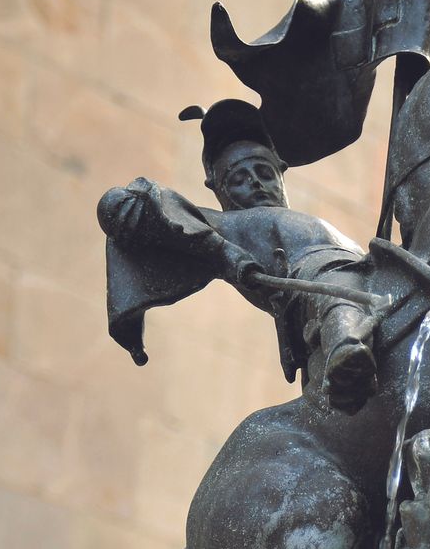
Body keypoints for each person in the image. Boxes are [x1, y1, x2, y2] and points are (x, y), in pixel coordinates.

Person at [98, 99, 379, 413]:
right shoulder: (228, 224)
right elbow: (126, 205)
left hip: (372, 274)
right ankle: (345, 347)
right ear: (218, 191)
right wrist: (226, 255)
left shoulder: (298, 219)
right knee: (330, 272)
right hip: (318, 286)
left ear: (282, 174)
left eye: (264, 172)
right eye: (238, 179)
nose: (256, 182)